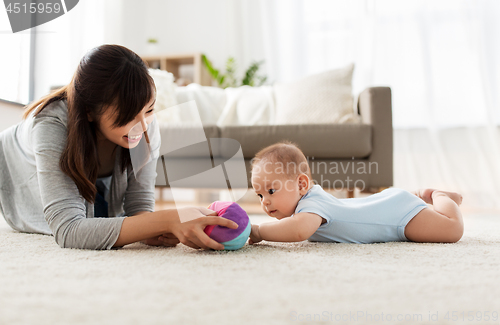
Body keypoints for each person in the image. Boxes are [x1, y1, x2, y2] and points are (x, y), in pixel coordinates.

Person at [0, 44, 237, 250]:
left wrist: (162, 226)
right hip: (16, 166)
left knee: (103, 218)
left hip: (93, 173)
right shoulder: (51, 125)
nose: (143, 126)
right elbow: (68, 230)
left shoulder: (143, 123)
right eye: (127, 116)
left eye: (150, 110)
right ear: (89, 111)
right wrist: (167, 219)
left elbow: (139, 208)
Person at [248, 141, 464, 245]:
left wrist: (260, 231)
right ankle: (416, 194)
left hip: (399, 217)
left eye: (271, 191)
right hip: (388, 202)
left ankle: (439, 196)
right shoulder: (310, 200)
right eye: (259, 195)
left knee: (452, 229)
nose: (265, 202)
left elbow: (297, 232)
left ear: (302, 184)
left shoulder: (311, 206)